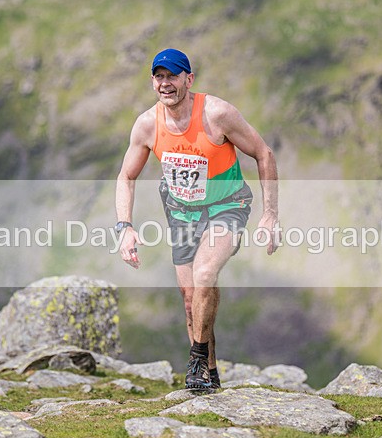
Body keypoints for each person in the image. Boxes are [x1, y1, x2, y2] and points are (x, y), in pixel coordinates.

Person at [115, 48, 279, 390]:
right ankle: (209, 374)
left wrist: (270, 216)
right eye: (159, 77)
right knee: (191, 296)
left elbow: (264, 153)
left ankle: (196, 359)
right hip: (182, 213)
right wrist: (125, 227)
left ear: (189, 79)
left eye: (173, 76)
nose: (165, 84)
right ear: (152, 82)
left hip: (227, 206)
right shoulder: (147, 124)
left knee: (205, 273)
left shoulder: (217, 114)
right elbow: (126, 177)